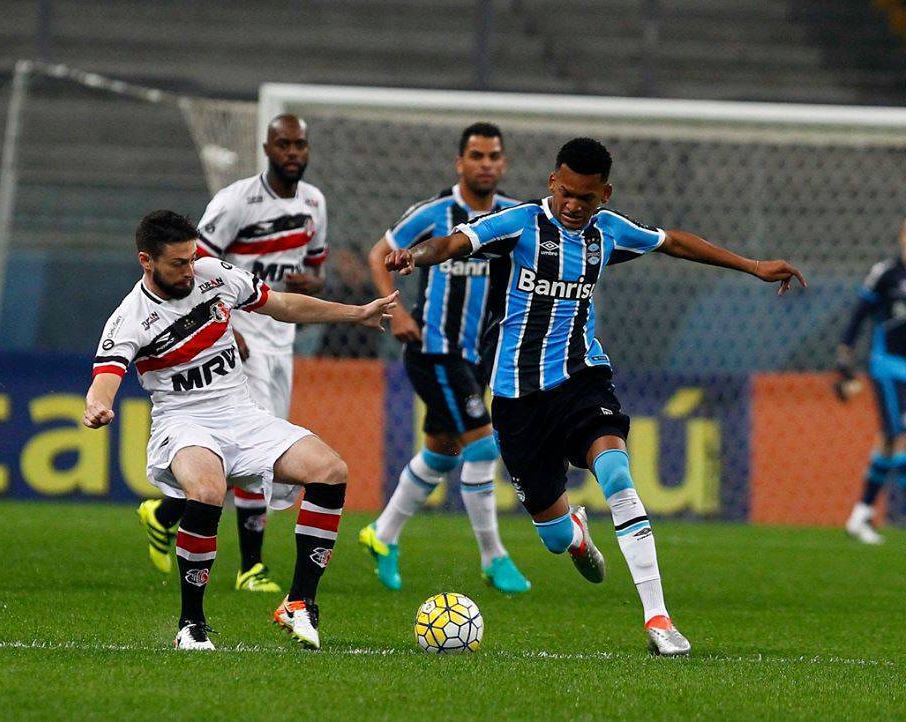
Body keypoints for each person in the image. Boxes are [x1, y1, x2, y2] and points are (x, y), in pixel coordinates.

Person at [384, 137, 805, 656]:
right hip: (518, 400)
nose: (573, 206)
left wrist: (754, 265)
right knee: (556, 537)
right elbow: (451, 244)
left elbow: (673, 242)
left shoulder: (608, 231)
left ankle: (658, 618)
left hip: (582, 377)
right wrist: (413, 256)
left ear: (603, 194)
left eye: (586, 197)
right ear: (552, 183)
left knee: (616, 473)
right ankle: (577, 534)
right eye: (566, 193)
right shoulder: (518, 224)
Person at [85, 210, 395, 650]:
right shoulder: (129, 318)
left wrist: (356, 313)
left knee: (330, 469)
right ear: (146, 261)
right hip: (183, 421)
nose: (191, 269)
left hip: (242, 414)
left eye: (193, 258)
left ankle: (299, 603)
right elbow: (105, 379)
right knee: (208, 490)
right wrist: (97, 406)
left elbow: (283, 305)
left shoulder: (214, 275)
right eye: (178, 263)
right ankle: (190, 625)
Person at [136, 114, 328, 594]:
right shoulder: (236, 201)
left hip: (280, 335)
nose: (292, 153)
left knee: (248, 450)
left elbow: (313, 269)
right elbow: (198, 263)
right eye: (283, 144)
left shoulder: (314, 204)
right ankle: (251, 567)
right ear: (266, 147)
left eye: (299, 144)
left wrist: (314, 284)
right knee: (253, 447)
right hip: (234, 331)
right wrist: (226, 330)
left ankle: (164, 512)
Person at [360, 123, 531, 594]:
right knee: (481, 446)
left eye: (493, 156)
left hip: (480, 354)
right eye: (476, 156)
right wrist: (394, 312)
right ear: (460, 162)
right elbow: (380, 254)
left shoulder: (516, 216)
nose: (486, 164)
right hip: (434, 351)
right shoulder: (436, 214)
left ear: (503, 162)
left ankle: (382, 534)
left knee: (441, 452)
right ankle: (494, 557)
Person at [836, 218, 906, 544]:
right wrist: (844, 359)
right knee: (895, 433)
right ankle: (862, 514)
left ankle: (861, 514)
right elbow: (858, 315)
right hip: (888, 366)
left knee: (889, 442)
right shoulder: (886, 273)